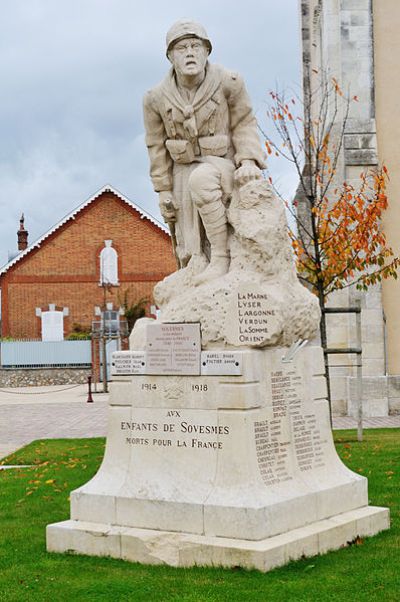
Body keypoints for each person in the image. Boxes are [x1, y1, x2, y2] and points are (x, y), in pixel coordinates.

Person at [143, 20, 265, 284]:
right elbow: (155, 144)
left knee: (202, 179)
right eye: (181, 47)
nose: (189, 52)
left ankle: (221, 257)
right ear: (170, 56)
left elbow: (244, 122)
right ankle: (195, 267)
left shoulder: (229, 82)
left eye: (196, 46)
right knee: (188, 251)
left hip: (221, 164)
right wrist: (163, 189)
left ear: (207, 51)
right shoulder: (155, 98)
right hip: (180, 171)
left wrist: (248, 161)